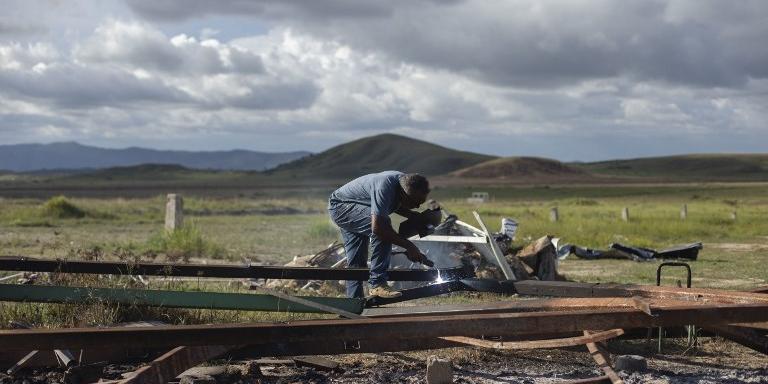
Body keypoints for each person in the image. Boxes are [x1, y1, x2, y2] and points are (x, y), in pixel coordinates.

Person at [328, 171, 431, 298]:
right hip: (340, 207)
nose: (417, 206)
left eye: (420, 203)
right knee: (383, 229)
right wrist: (410, 246)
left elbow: (388, 203)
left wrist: (413, 216)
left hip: (351, 205)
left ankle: (354, 301)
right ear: (404, 194)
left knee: (357, 263)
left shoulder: (405, 182)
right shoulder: (385, 187)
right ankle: (378, 284)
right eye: (415, 202)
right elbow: (379, 229)